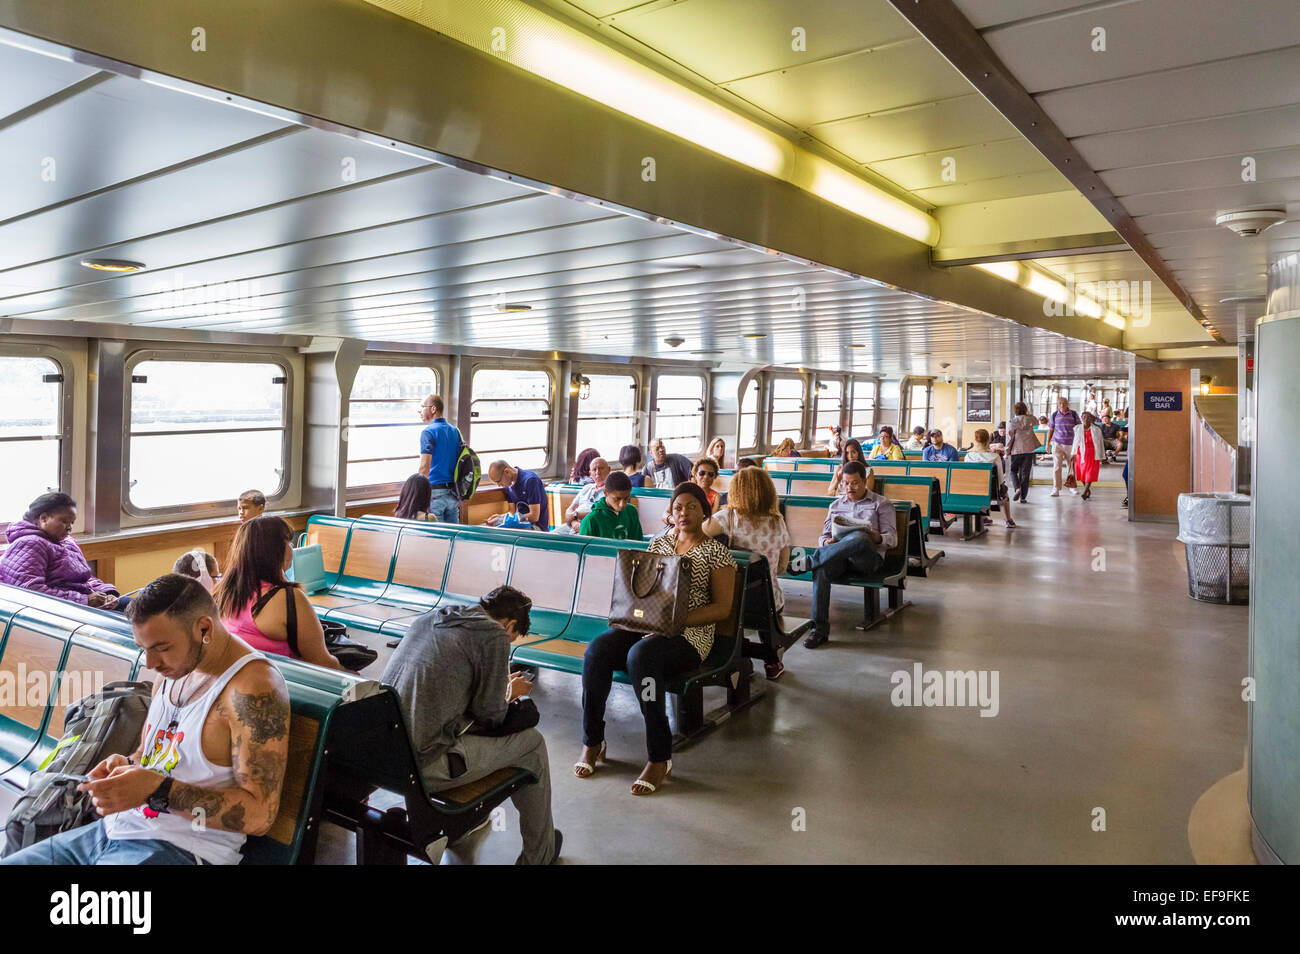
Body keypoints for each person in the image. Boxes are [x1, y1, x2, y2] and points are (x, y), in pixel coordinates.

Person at [1, 574, 290, 866]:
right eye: (144, 649)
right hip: (110, 832)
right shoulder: (175, 669)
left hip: (183, 849)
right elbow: (147, 755)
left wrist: (157, 790)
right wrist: (125, 766)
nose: (150, 664)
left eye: (162, 648)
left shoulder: (252, 687)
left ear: (204, 628)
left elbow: (259, 816)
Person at [574, 482, 736, 795]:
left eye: (691, 506)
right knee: (598, 650)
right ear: (670, 513)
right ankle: (593, 741)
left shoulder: (716, 552)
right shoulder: (660, 543)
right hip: (649, 627)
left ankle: (659, 757)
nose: (684, 512)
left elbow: (722, 608)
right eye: (678, 507)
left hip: (690, 637)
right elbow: (643, 589)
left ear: (704, 510)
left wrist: (676, 619)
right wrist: (644, 618)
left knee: (641, 657)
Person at [381, 585, 561, 865]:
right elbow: (492, 717)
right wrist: (511, 693)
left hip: (383, 756)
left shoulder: (430, 618)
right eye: (513, 639)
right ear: (509, 625)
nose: (507, 646)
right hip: (422, 766)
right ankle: (540, 856)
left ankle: (467, 821)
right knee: (533, 745)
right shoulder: (494, 635)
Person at [214, 516, 345, 671]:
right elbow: (323, 663)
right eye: (288, 543)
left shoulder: (222, 593)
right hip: (283, 685)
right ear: (274, 551)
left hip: (234, 680)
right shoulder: (287, 599)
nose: (291, 548)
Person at [703, 467, 791, 680]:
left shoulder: (726, 519)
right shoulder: (777, 521)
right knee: (762, 597)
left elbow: (696, 535)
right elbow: (781, 567)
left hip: (730, 602)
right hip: (769, 602)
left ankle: (738, 657)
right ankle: (771, 660)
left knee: (734, 605)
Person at [804, 462, 897, 649]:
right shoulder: (835, 505)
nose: (849, 488)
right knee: (822, 569)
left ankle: (811, 560)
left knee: (861, 537)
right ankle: (819, 631)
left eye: (854, 483)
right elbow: (824, 535)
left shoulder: (881, 503)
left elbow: (893, 539)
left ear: (864, 481)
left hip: (868, 561)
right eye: (845, 483)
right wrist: (826, 543)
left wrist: (875, 536)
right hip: (840, 558)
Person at [0, 493, 127, 611]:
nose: (70, 527)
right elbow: (30, 590)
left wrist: (107, 593)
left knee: (139, 608)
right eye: (64, 521)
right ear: (44, 518)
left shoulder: (67, 542)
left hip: (81, 601)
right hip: (62, 610)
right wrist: (84, 600)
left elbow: (84, 579)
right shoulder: (30, 544)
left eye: (72, 522)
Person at [417, 394, 462, 524]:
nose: (420, 411)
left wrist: (417, 492)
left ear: (433, 409)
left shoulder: (428, 432)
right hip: (453, 493)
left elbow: (425, 467)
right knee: (453, 536)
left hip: (435, 493)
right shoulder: (455, 431)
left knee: (438, 539)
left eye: (422, 407)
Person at [966, 430, 1016, 529]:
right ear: (988, 440)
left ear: (975, 440)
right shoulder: (995, 457)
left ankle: (984, 517)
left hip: (972, 490)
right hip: (992, 491)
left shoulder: (969, 456)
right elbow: (1000, 479)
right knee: (1004, 492)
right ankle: (1008, 520)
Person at [486, 460, 550, 530]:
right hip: (520, 523)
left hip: (536, 526)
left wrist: (502, 520)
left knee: (497, 531)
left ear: (507, 472)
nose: (499, 485)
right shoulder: (509, 486)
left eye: (498, 481)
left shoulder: (530, 480)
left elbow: (534, 516)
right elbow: (512, 513)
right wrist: (500, 517)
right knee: (488, 528)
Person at [578, 472, 641, 540]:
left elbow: (637, 543)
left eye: (626, 498)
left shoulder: (631, 511)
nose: (622, 504)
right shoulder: (590, 521)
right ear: (605, 493)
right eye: (617, 499)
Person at [1003, 401, 1040, 503]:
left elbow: (1010, 438)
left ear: (1015, 410)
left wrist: (1006, 452)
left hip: (1016, 450)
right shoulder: (1031, 419)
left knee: (1013, 471)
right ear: (1025, 409)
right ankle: (1023, 497)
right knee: (1025, 473)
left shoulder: (1013, 421)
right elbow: (1037, 421)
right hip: (1029, 450)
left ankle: (1017, 488)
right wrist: (1028, 414)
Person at [561, 457, 610, 531]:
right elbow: (570, 509)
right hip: (573, 524)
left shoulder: (611, 491)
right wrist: (574, 522)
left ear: (608, 470)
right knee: (549, 537)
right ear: (590, 473)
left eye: (601, 468)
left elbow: (601, 514)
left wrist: (576, 515)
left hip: (591, 527)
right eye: (594, 470)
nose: (597, 473)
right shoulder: (586, 488)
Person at [1048, 396, 1081, 497]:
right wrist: (1047, 443)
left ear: (1067, 404)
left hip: (1071, 444)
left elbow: (1079, 428)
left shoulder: (1074, 414)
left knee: (1071, 466)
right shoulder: (1054, 415)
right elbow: (1051, 429)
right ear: (1057, 404)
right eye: (1060, 403)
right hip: (1057, 443)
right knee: (1057, 467)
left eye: (1064, 403)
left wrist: (1078, 443)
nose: (1062, 405)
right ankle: (1056, 488)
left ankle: (1072, 486)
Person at [1072, 411, 1105, 501]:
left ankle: (1085, 491)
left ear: (1091, 419)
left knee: (1090, 473)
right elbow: (1075, 442)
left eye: (1088, 417)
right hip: (1080, 453)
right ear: (1081, 418)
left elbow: (1100, 443)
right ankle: (1088, 490)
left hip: (1092, 454)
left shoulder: (1096, 430)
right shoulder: (1077, 428)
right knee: (1082, 473)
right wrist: (1073, 453)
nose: (1086, 419)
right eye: (1084, 417)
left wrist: (1101, 455)